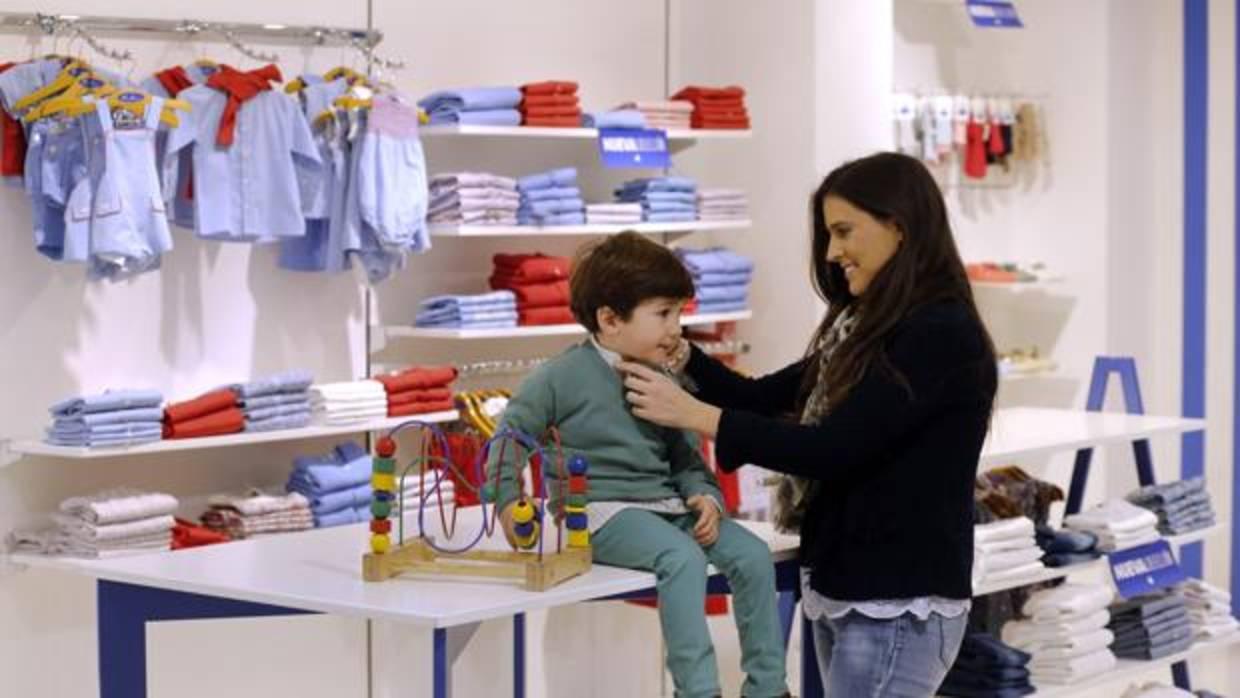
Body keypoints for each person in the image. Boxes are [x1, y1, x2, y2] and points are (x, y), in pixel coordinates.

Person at [618, 152, 998, 697]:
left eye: (843, 231)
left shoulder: (938, 331)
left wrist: (695, 416)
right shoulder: (863, 330)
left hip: (896, 601)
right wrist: (681, 353)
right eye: (827, 234)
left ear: (898, 226)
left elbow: (835, 448)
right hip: (851, 587)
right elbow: (762, 398)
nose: (831, 253)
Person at [485, 232, 790, 698]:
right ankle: (698, 691)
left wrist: (705, 494)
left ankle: (768, 689)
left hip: (666, 507)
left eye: (679, 313)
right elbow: (508, 440)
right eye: (664, 314)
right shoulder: (558, 377)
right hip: (599, 511)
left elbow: (685, 453)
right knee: (681, 559)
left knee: (751, 555)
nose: (676, 329)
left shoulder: (665, 376)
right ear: (609, 319)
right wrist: (507, 501)